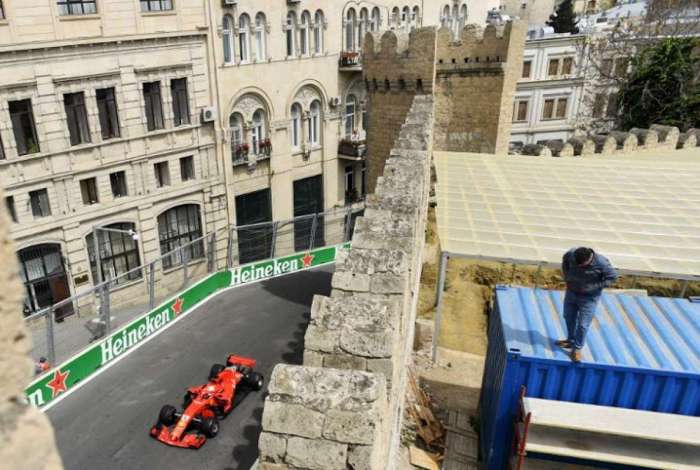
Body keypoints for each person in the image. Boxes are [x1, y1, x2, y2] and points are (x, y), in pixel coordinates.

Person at [557, 247, 618, 362]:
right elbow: (565, 261)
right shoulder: (571, 254)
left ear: (589, 259)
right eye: (577, 264)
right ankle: (570, 340)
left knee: (583, 324)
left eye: (582, 265)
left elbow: (613, 277)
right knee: (568, 317)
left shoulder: (601, 262)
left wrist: (595, 287)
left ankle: (577, 349)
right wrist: (567, 276)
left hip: (589, 298)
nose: (579, 266)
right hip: (572, 292)